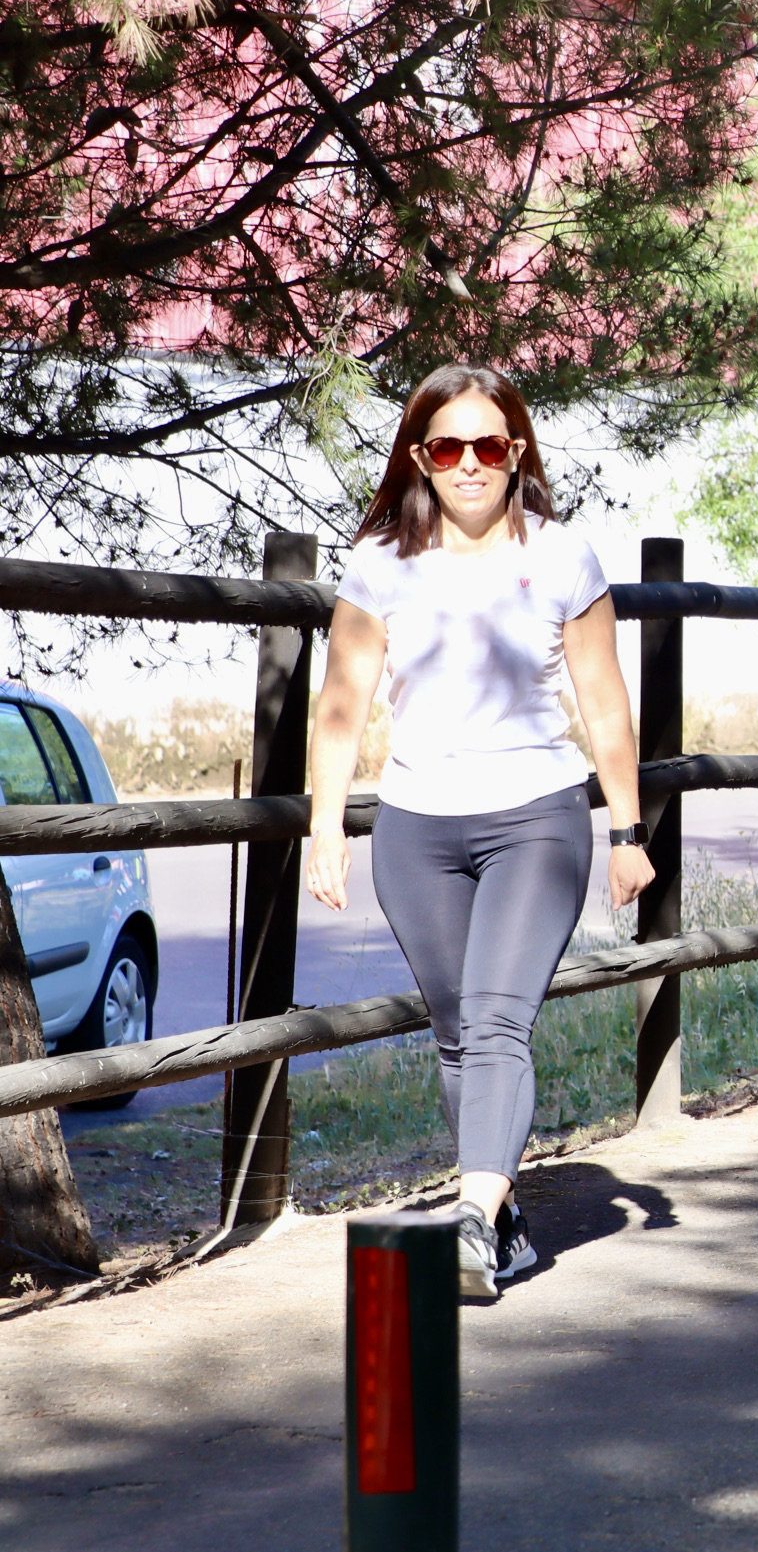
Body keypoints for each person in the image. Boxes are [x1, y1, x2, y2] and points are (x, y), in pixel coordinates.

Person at [306, 363, 656, 1298]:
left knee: (500, 1019)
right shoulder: (381, 562)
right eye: (449, 447)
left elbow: (606, 706)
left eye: (489, 446)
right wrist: (325, 825)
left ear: (518, 452)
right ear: (420, 457)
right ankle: (503, 1223)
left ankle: (467, 1217)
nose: (470, 464)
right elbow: (340, 705)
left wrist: (627, 829)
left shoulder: (563, 556)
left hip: (536, 818)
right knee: (460, 1031)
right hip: (417, 828)